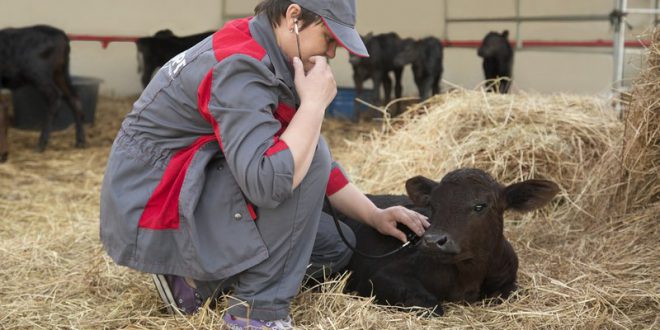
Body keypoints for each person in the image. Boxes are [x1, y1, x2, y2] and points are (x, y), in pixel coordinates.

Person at [99, 0, 430, 328]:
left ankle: (196, 281)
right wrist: (313, 106)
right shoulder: (241, 66)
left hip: (188, 182)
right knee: (303, 158)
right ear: (294, 17)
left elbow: (305, 155)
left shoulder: (267, 49)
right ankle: (256, 313)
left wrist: (374, 214)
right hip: (155, 202)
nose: (331, 54)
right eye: (329, 39)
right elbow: (269, 182)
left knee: (331, 247)